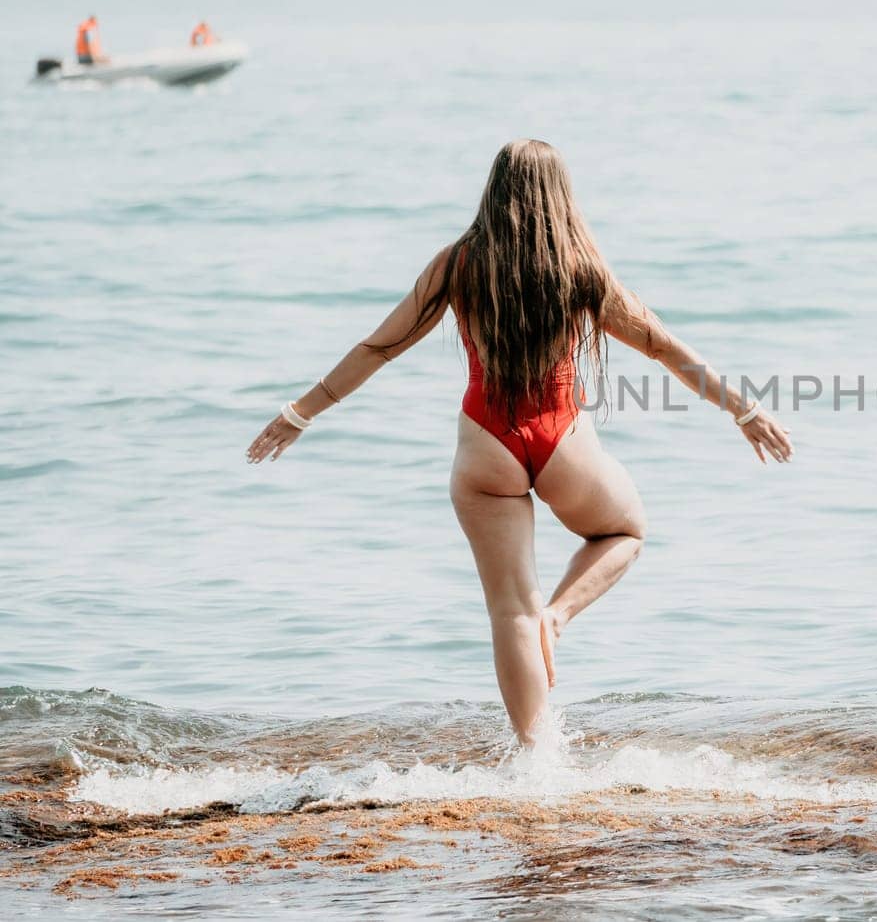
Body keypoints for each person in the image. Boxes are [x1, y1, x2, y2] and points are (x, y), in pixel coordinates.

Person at [246, 139, 794, 744]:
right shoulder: (579, 266)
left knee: (510, 611)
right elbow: (662, 346)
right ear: (561, 196)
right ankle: (558, 616)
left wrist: (300, 413)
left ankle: (537, 758)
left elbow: (381, 346)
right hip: (563, 439)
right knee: (625, 531)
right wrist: (743, 409)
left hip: (487, 441)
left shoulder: (458, 265)